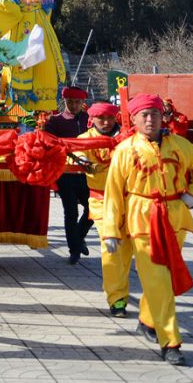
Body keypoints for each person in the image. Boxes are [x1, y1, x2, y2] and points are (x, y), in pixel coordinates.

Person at [103, 93, 193, 366]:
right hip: (143, 219)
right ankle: (170, 341)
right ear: (135, 119)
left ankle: (147, 320)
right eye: (144, 115)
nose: (150, 119)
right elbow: (114, 193)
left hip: (175, 217)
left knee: (165, 275)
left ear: (163, 116)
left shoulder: (180, 146)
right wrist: (111, 232)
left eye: (154, 114)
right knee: (159, 280)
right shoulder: (126, 150)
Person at [74, 100, 131, 317]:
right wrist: (82, 161)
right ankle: (116, 299)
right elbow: (78, 152)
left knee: (126, 249)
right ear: (92, 120)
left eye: (109, 118)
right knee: (111, 246)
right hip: (102, 201)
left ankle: (120, 290)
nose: (106, 123)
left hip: (130, 201)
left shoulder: (127, 138)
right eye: (101, 119)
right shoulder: (84, 139)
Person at [45, 86, 92, 264]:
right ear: (64, 101)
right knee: (70, 211)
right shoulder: (55, 121)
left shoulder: (89, 120)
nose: (73, 105)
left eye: (77, 102)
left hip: (88, 174)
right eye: (70, 102)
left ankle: (78, 238)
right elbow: (48, 143)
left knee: (93, 209)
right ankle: (74, 250)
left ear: (83, 103)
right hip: (65, 173)